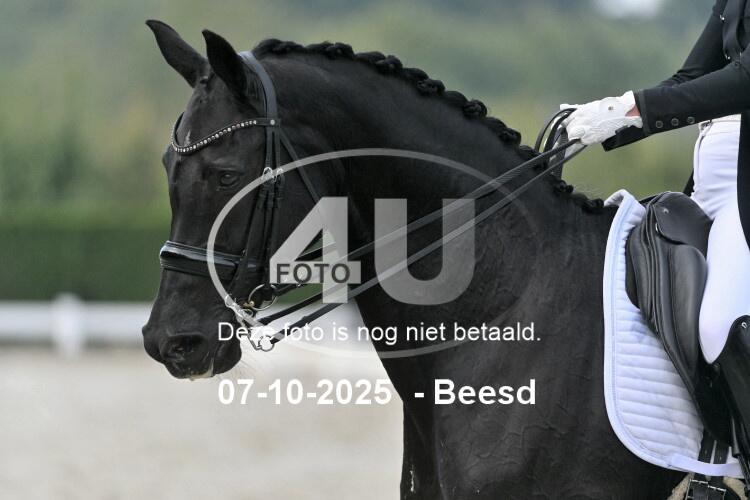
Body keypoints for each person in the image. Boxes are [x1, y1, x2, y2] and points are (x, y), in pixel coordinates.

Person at [561, 0, 750, 365]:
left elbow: (744, 80)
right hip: (708, 183)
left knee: (717, 327)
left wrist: (635, 108)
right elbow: (689, 77)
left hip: (741, 193)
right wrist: (610, 117)